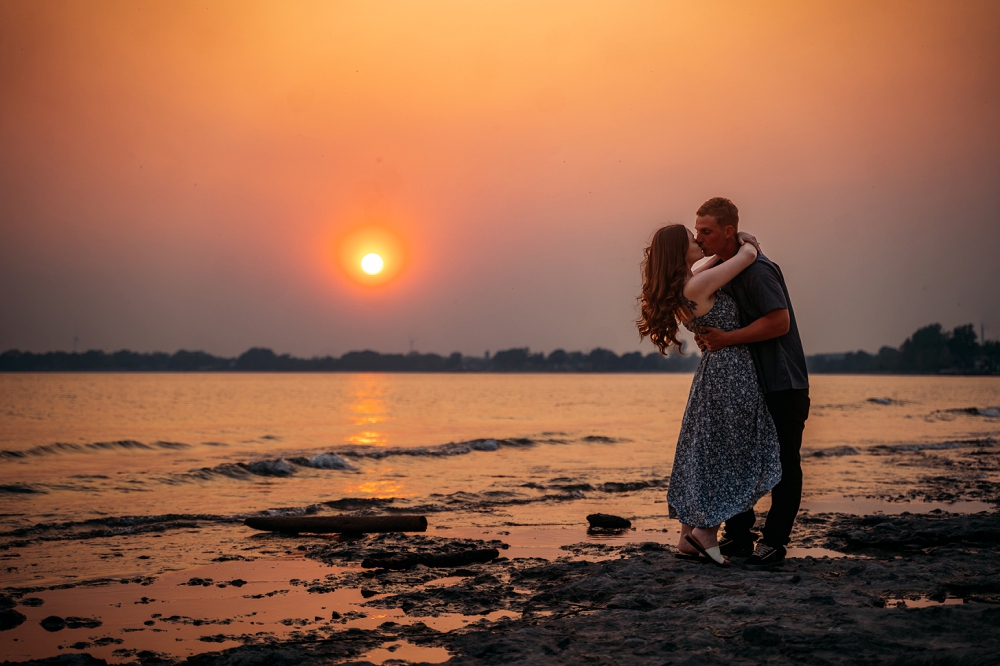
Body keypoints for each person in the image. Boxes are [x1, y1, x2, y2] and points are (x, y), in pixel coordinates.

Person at [637, 223, 781, 567]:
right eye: (692, 239)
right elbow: (746, 257)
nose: (699, 241)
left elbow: (710, 263)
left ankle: (688, 536)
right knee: (729, 452)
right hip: (730, 371)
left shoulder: (686, 283)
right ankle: (705, 532)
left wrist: (720, 251)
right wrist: (745, 242)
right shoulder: (698, 283)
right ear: (678, 251)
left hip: (712, 373)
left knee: (704, 450)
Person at [693, 197, 810, 570]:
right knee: (738, 457)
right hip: (751, 383)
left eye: (706, 231)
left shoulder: (758, 270)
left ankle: (774, 543)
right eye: (697, 231)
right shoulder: (727, 267)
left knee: (784, 465)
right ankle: (739, 536)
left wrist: (727, 339)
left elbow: (780, 323)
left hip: (783, 382)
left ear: (728, 231)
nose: (699, 238)